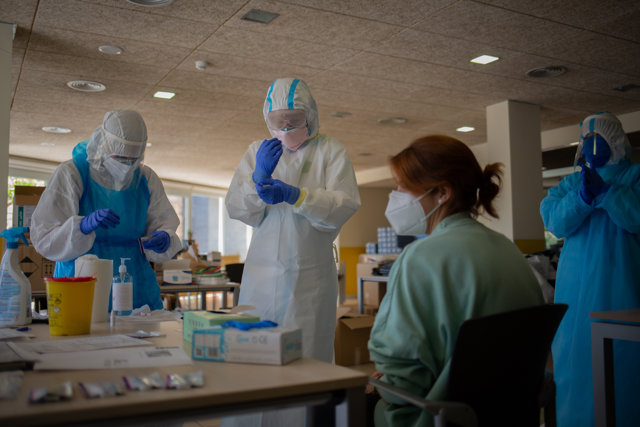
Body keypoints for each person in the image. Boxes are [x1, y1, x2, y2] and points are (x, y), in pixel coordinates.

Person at [368, 135, 544, 427]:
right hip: (509, 412)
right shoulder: (508, 249)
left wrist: (383, 382)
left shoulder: (419, 258)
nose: (395, 196)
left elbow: (404, 382)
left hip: (441, 415)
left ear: (443, 193)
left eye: (403, 187)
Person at [224, 77, 360, 426]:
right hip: (260, 276)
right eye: (278, 121)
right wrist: (257, 183)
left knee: (305, 360)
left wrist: (296, 196)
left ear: (310, 116)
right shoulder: (258, 151)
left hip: (309, 279)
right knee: (253, 355)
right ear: (266, 119)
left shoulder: (331, 151)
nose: (286, 128)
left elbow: (344, 205)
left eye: (294, 120)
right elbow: (237, 208)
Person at [540, 112, 640, 427]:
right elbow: (554, 222)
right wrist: (582, 198)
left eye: (597, 139)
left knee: (622, 373)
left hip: (621, 293)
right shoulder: (571, 183)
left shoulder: (635, 178)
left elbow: (636, 219)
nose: (590, 146)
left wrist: (609, 194)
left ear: (616, 141)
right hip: (575, 300)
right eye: (586, 140)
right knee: (575, 366)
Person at [30, 109, 183, 311]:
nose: (127, 167)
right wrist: (80, 227)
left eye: (133, 160)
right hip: (80, 286)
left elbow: (163, 223)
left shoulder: (145, 179)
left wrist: (164, 238)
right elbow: (44, 238)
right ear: (103, 143)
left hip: (137, 290)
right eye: (120, 157)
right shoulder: (72, 174)